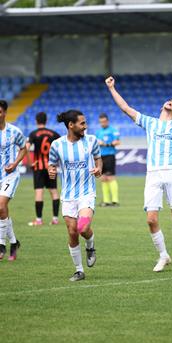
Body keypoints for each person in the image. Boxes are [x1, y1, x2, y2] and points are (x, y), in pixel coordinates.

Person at [105, 74, 172, 273]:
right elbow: (126, 109)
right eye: (168, 101)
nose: (171, 102)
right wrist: (111, 88)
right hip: (153, 174)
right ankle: (163, 256)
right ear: (162, 107)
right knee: (151, 219)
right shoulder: (150, 123)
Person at [48, 110, 102, 281]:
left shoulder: (91, 140)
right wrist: (51, 170)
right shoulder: (57, 145)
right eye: (82, 123)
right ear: (71, 125)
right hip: (68, 195)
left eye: (85, 123)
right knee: (72, 232)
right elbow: (52, 164)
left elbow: (98, 158)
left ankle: (90, 245)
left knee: (82, 228)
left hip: (86, 193)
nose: (85, 126)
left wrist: (98, 168)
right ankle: (79, 270)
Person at [0, 100, 27, 261]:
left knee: (1, 206)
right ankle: (14, 242)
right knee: (2, 211)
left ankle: (1, 244)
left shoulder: (14, 131)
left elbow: (24, 148)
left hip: (10, 175)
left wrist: (15, 163)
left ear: (4, 113)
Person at [26, 112, 61, 226]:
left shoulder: (33, 133)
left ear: (36, 121)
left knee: (39, 192)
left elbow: (26, 148)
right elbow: (61, 148)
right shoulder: (54, 134)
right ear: (46, 120)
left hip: (38, 166)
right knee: (54, 192)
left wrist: (31, 163)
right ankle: (55, 219)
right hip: (51, 166)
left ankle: (39, 220)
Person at [96, 113, 120, 207]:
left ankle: (115, 200)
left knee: (111, 177)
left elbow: (118, 142)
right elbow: (96, 143)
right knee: (103, 178)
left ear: (107, 121)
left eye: (104, 121)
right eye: (101, 122)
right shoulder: (98, 132)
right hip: (101, 157)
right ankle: (106, 201)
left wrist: (107, 144)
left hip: (110, 155)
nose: (103, 123)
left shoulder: (113, 130)